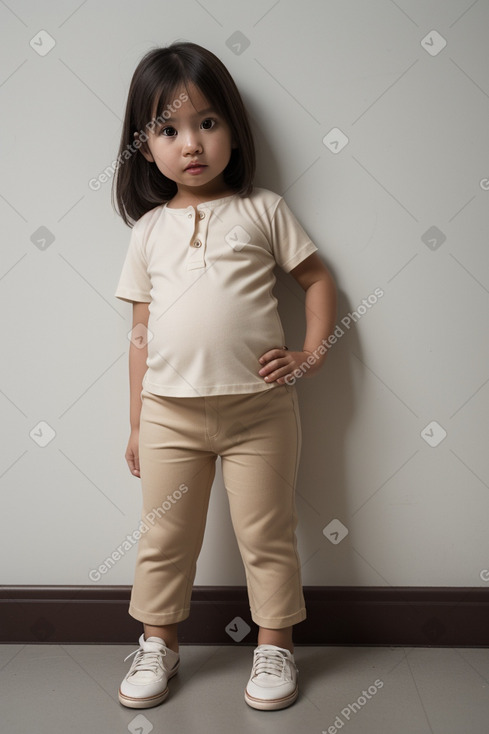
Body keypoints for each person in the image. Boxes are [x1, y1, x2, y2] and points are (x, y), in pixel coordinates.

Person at [112, 40, 337, 711]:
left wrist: (310, 352)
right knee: (163, 535)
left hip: (259, 411)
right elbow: (140, 333)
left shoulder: (263, 210)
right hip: (168, 416)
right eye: (169, 128)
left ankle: (274, 647)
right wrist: (135, 422)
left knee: (265, 533)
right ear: (143, 146)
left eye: (207, 122)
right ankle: (159, 644)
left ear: (233, 130)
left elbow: (317, 278)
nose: (192, 144)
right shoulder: (148, 230)